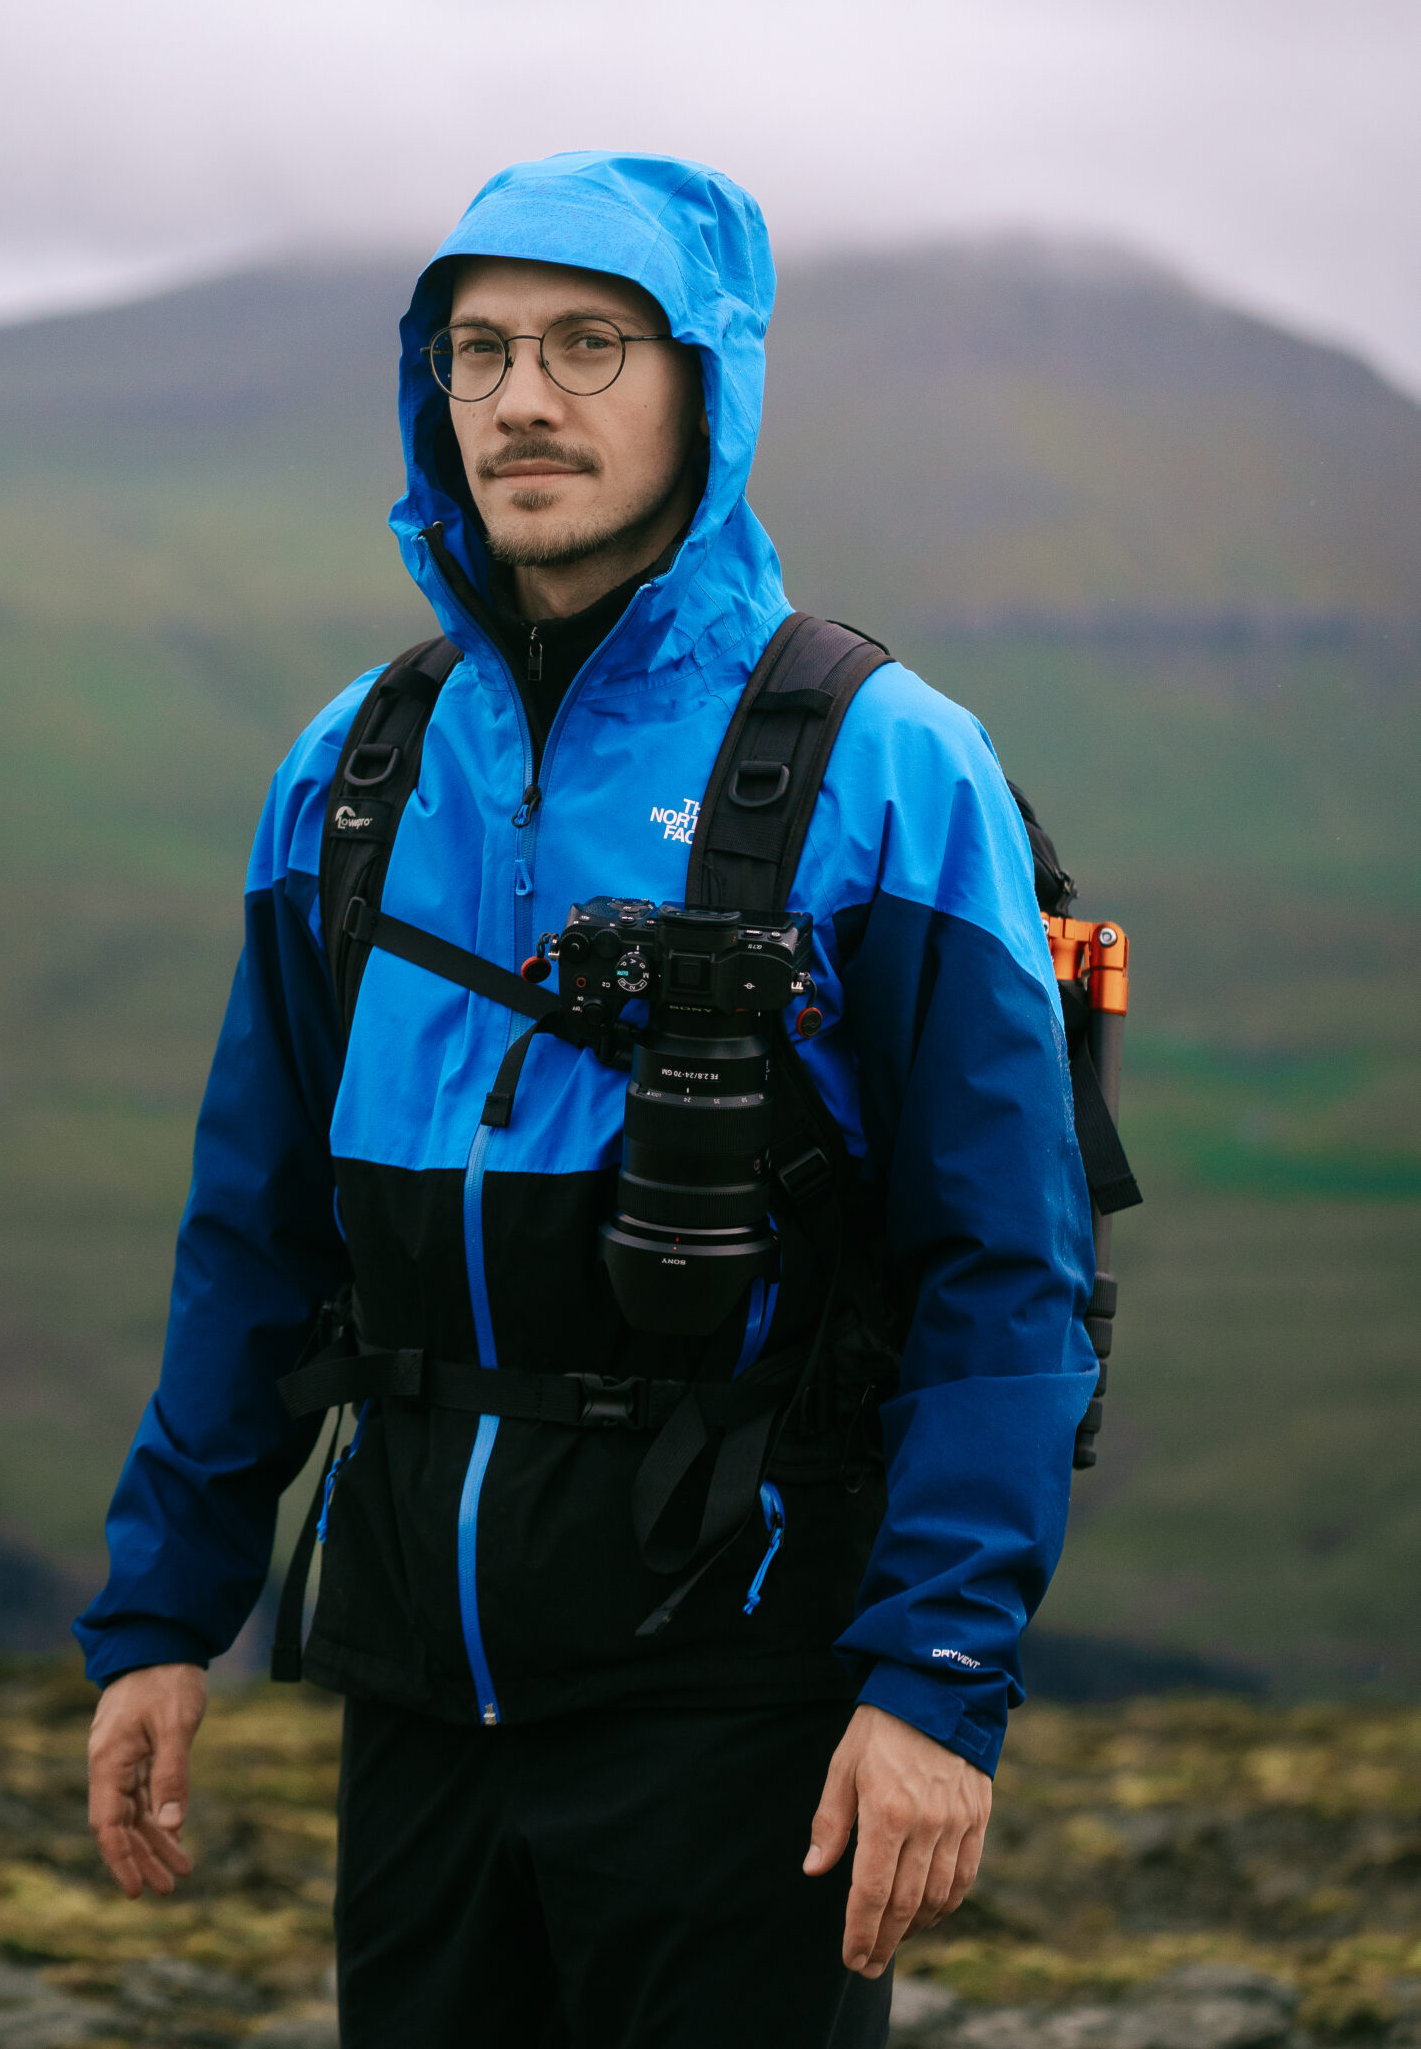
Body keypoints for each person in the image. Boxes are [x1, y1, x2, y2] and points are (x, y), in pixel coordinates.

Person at [76, 151, 1098, 2049]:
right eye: (478, 352)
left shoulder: (887, 763)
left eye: (589, 345)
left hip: (740, 1702)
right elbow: (257, 1234)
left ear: (707, 380)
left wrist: (939, 1685)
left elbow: (1006, 1274)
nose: (524, 399)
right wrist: (161, 1613)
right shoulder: (356, 769)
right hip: (417, 1693)